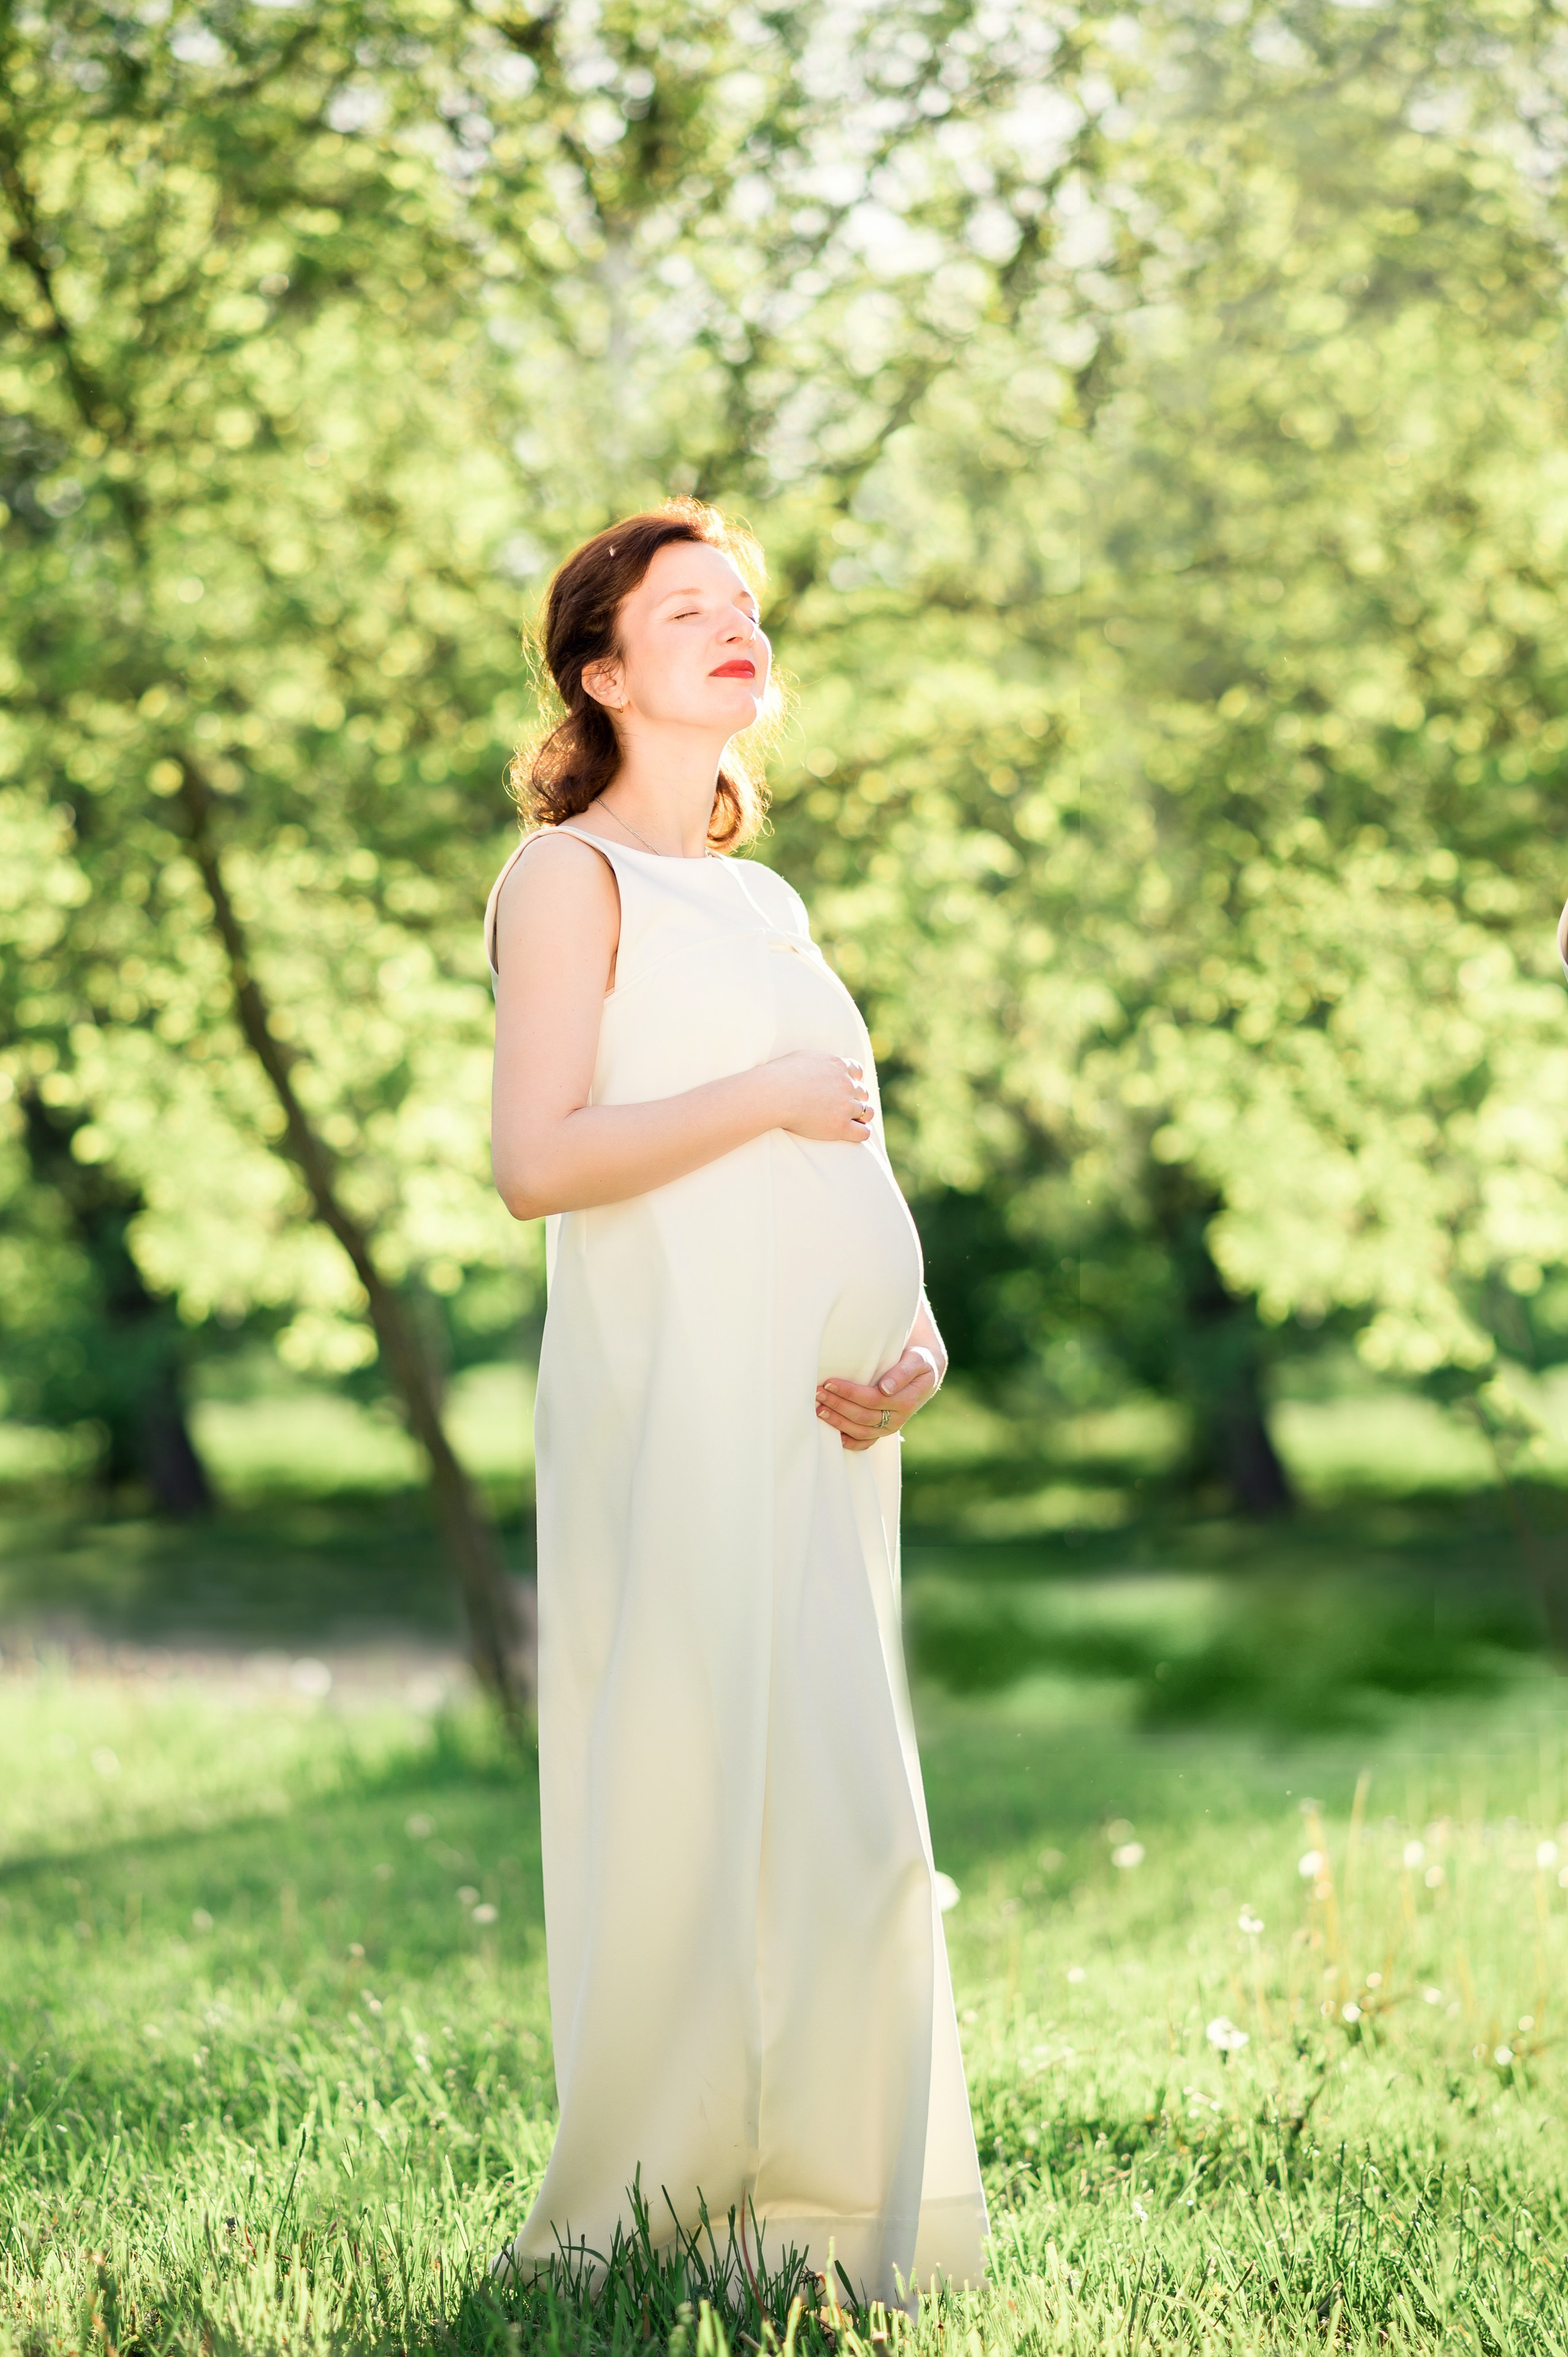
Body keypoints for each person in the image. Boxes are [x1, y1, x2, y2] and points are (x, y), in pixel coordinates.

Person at [485, 498, 989, 2309]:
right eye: (688, 608)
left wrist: (916, 1346)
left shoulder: (765, 896)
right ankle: (644, 2214)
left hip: (816, 1433)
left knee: (849, 1821)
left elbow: (859, 1160)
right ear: (606, 670)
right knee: (693, 1795)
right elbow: (537, 1159)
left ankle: (849, 2220)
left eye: (748, 606)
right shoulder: (568, 879)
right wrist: (769, 1092)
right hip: (673, 1410)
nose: (735, 628)